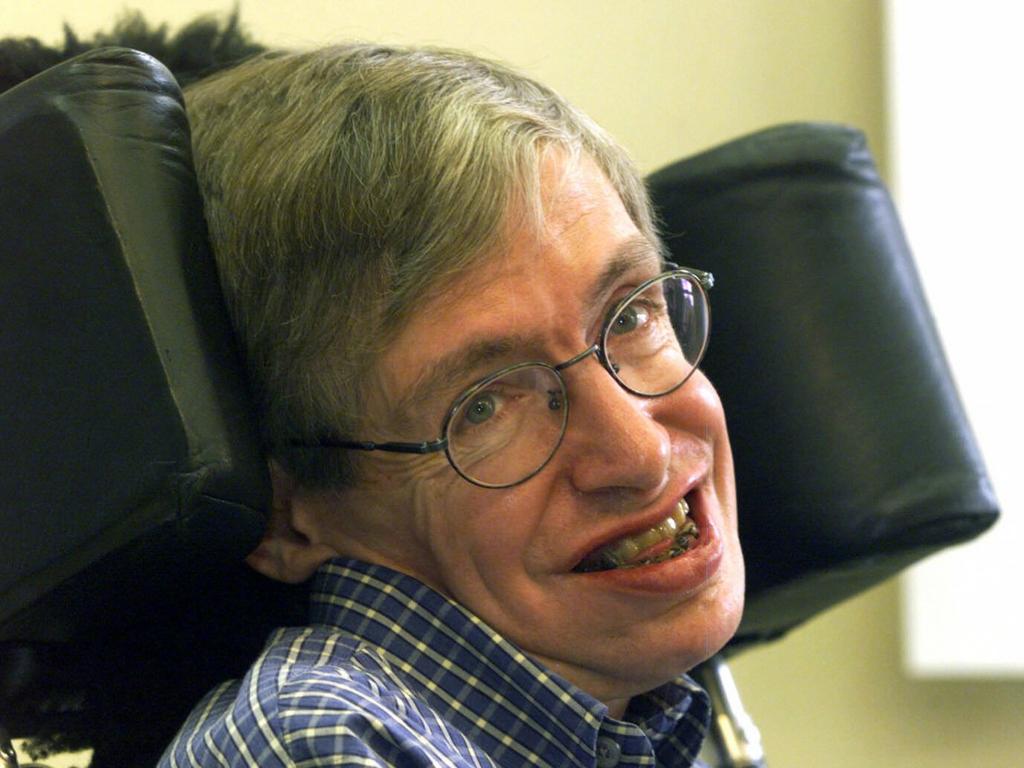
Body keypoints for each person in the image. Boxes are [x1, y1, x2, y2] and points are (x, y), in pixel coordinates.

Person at [160, 43, 744, 768]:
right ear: (283, 516)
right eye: (484, 406)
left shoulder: (634, 719)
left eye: (628, 316)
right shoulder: (316, 745)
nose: (641, 453)